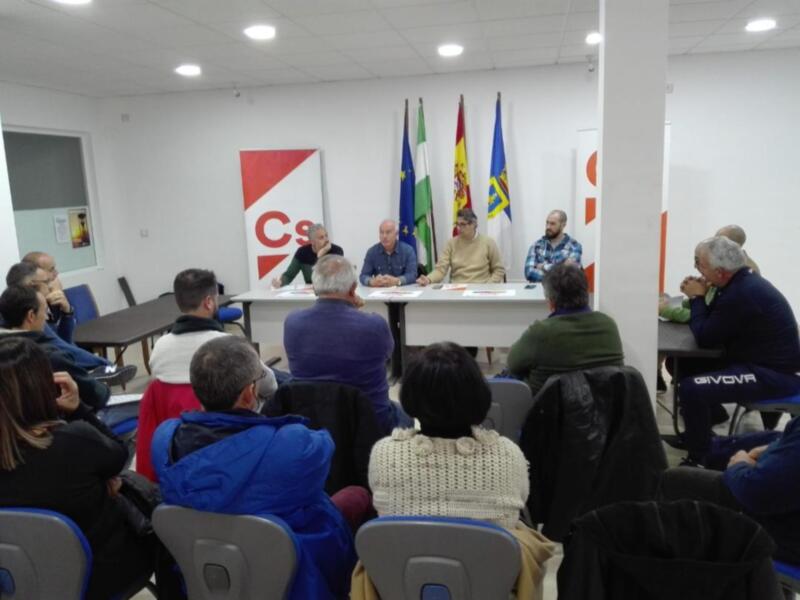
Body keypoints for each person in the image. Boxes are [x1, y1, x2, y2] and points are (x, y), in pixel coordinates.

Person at [151, 336, 358, 600]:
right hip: (296, 580)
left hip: (208, 576)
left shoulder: (165, 442)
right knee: (354, 495)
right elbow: (324, 446)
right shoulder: (291, 446)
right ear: (250, 394)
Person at [361, 342, 554, 598]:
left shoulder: (385, 453)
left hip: (405, 585)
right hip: (489, 585)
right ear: (479, 395)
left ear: (410, 397)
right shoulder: (507, 454)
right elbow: (520, 502)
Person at [0, 336, 153, 600]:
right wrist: (78, 409)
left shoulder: (72, 444)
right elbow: (120, 453)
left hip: (20, 579)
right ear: (44, 386)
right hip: (100, 577)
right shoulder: (75, 441)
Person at [678, 236, 800, 465]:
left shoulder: (742, 293)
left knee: (692, 389)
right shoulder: (739, 283)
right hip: (754, 363)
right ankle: (704, 434)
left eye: (700, 265)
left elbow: (705, 336)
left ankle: (699, 458)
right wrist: (702, 297)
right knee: (687, 365)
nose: (698, 270)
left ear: (721, 272)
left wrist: (696, 297)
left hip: (771, 375)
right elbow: (713, 324)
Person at [284, 255, 412, 434]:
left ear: (314, 288)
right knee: (406, 414)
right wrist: (358, 312)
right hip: (370, 424)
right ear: (353, 290)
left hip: (314, 423)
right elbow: (388, 354)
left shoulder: (292, 322)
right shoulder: (374, 325)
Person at [659, 414, 800, 564]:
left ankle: (680, 565)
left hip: (786, 530)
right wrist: (772, 449)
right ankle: (707, 452)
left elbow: (755, 492)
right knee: (750, 441)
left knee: (675, 480)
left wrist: (739, 464)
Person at [149, 268, 277, 393]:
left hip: (177, 414)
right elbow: (269, 386)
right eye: (217, 298)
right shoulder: (232, 346)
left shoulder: (159, 347)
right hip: (223, 413)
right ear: (209, 302)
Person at [506, 262, 624, 397]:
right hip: (604, 411)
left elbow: (512, 364)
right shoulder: (609, 325)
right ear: (585, 292)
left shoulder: (541, 333)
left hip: (548, 413)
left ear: (551, 302)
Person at [5, 261, 134, 383]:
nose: (51, 285)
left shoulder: (37, 305)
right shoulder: (30, 312)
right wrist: (105, 363)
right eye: (47, 281)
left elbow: (65, 341)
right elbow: (60, 346)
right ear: (31, 286)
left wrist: (67, 313)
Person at [0, 285, 110, 410]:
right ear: (31, 316)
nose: (47, 317)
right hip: (61, 422)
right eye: (45, 312)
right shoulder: (49, 356)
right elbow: (98, 396)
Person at [416, 208, 505, 285]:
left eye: (462, 224)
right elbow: (440, 270)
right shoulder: (451, 243)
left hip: (481, 288)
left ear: (473, 224)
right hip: (457, 289)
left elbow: (498, 270)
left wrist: (489, 285)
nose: (458, 228)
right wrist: (428, 279)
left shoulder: (488, 242)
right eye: (457, 224)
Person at [272, 223, 343, 288]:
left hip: (332, 292)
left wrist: (320, 256)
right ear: (312, 241)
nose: (326, 240)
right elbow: (289, 275)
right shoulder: (302, 252)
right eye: (321, 238)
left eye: (326, 235)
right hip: (311, 294)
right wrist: (280, 282)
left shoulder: (337, 251)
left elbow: (332, 278)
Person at [524, 210, 582, 283]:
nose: (548, 227)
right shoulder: (536, 245)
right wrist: (562, 268)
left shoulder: (574, 246)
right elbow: (529, 273)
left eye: (552, 224)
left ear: (563, 225)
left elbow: (571, 276)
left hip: (563, 293)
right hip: (538, 292)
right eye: (547, 223)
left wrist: (543, 267)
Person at [359, 219, 417, 287]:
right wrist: (371, 281)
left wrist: (397, 281)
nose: (384, 236)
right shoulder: (372, 252)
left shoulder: (408, 251)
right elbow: (363, 276)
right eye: (381, 232)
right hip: (379, 294)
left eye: (388, 232)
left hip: (403, 292)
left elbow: (412, 275)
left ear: (396, 234)